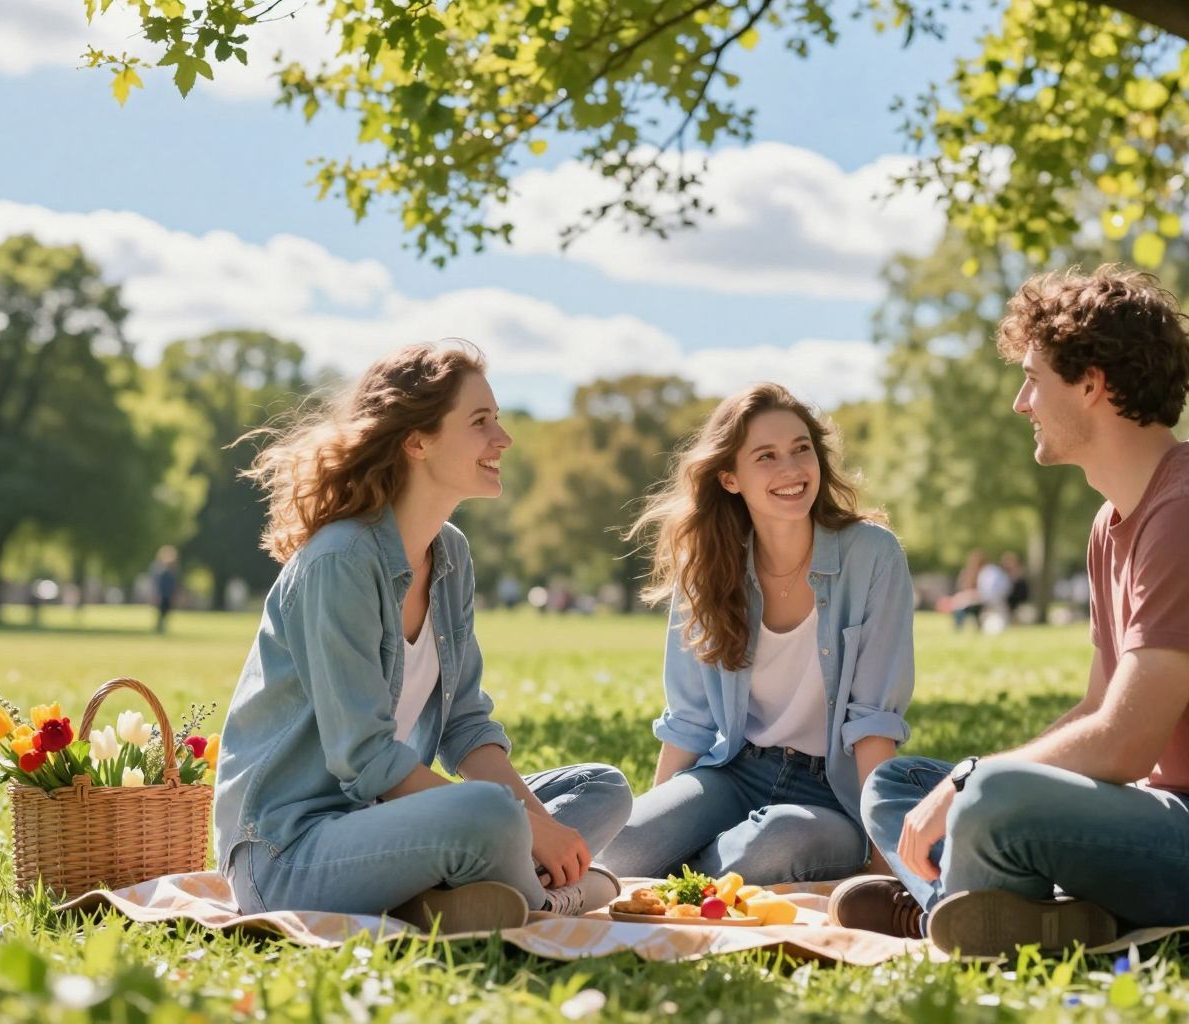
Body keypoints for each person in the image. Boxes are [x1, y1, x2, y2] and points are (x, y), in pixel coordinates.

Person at [832, 266, 1189, 958]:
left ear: (1092, 383)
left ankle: (953, 910)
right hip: (1170, 819)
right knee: (899, 784)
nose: (1022, 403)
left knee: (987, 796)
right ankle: (997, 911)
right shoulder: (1114, 523)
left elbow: (1124, 743)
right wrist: (966, 779)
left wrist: (972, 780)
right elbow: (1096, 709)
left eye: (1033, 378)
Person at [213, 342, 633, 931]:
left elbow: (465, 726)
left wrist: (536, 821)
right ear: (417, 441)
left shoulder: (450, 553)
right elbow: (363, 758)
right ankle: (543, 902)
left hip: (392, 824)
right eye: (480, 421)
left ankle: (460, 888)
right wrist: (523, 824)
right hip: (291, 853)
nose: (503, 438)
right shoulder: (340, 561)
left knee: (600, 787)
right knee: (492, 814)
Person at [600, 383, 915, 884]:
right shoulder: (706, 565)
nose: (791, 470)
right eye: (766, 456)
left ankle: (705, 868)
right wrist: (659, 830)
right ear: (729, 478)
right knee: (621, 845)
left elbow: (873, 723)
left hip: (830, 794)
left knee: (775, 843)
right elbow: (690, 721)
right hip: (733, 772)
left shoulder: (873, 555)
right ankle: (702, 865)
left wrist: (883, 866)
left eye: (801, 449)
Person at [152, 546, 179, 633]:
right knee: (160, 612)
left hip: (168, 595)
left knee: (166, 612)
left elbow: (173, 585)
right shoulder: (159, 571)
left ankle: (162, 627)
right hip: (161, 595)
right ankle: (159, 627)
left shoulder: (173, 572)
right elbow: (156, 584)